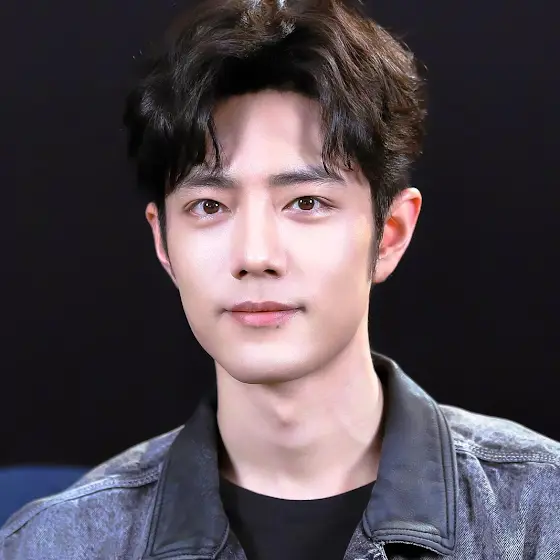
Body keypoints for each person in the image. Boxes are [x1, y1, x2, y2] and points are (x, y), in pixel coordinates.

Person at [2, 0, 559, 558]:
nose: (255, 255)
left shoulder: (540, 513)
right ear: (163, 242)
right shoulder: (55, 544)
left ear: (389, 234)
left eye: (306, 202)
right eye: (208, 206)